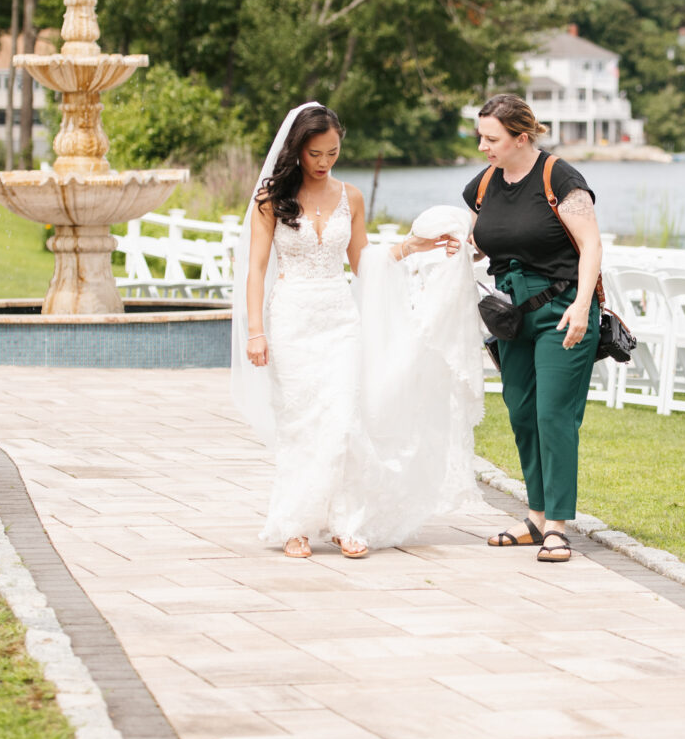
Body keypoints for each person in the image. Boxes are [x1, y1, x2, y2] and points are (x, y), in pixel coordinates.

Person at [231, 103, 479, 559]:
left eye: (333, 152)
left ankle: (347, 522)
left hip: (340, 321)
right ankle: (295, 524)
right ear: (297, 150)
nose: (324, 163)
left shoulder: (352, 197)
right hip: (291, 318)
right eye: (315, 154)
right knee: (302, 423)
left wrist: (413, 246)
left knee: (344, 419)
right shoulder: (269, 201)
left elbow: (363, 262)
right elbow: (256, 270)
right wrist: (255, 331)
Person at [462, 94, 602, 564]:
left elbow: (591, 245)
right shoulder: (483, 185)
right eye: (481, 136)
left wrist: (583, 305)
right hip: (510, 315)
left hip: (562, 309)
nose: (483, 146)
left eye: (492, 138)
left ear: (521, 137)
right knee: (521, 413)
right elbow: (484, 239)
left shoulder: (558, 177)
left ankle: (559, 526)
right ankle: (536, 518)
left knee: (553, 416)